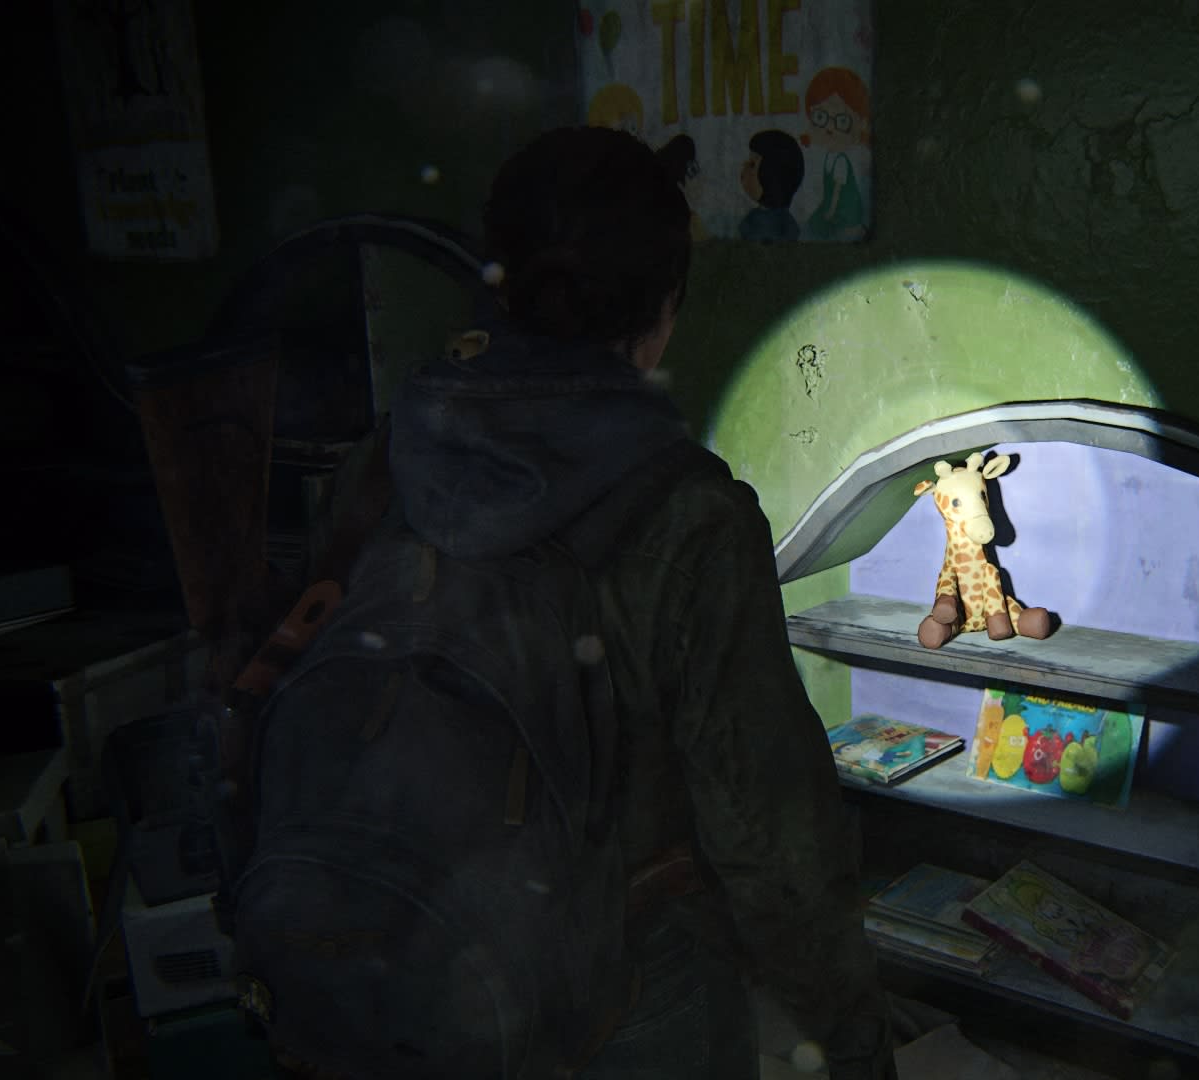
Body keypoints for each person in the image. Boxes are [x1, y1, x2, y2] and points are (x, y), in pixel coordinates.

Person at [304, 126, 893, 1078]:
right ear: (662, 311)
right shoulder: (689, 516)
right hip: (616, 987)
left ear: (501, 284)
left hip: (403, 952)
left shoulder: (389, 460)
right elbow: (769, 839)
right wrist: (853, 1036)